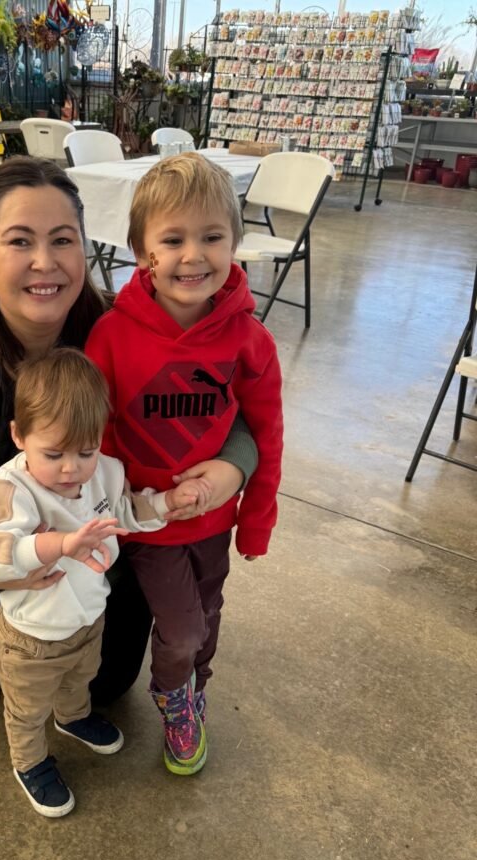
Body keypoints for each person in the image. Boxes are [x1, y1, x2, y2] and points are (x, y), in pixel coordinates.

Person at [0, 156, 258, 705]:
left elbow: (224, 410)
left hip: (104, 546)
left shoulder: (128, 333)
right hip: (10, 548)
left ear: (84, 246)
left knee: (110, 684)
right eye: (20, 241)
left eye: (63, 240)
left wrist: (232, 466)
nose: (45, 262)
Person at [86, 151, 284, 775]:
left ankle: (195, 691)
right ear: (143, 250)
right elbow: (97, 434)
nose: (192, 255)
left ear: (235, 242)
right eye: (172, 240)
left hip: (215, 523)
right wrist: (124, 512)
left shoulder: (249, 339)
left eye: (211, 237)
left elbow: (266, 432)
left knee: (208, 617)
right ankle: (173, 699)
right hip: (149, 527)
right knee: (183, 629)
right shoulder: (112, 337)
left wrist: (254, 521)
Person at [0, 348, 211, 816]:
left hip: (86, 619)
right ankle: (30, 760)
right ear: (19, 436)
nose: (71, 468)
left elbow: (123, 513)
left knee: (81, 679)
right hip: (31, 637)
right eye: (53, 453)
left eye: (86, 450)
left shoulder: (105, 472)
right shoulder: (14, 489)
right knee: (27, 709)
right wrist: (58, 544)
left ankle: (74, 719)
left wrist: (164, 503)